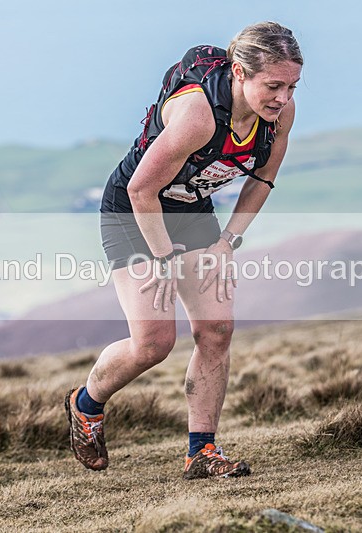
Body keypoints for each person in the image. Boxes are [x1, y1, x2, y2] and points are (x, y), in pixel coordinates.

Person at [65, 21, 302, 479]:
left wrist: (227, 242)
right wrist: (165, 260)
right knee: (154, 343)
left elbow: (262, 179)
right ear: (239, 73)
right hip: (134, 210)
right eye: (273, 86)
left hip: (191, 208)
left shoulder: (279, 116)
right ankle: (86, 404)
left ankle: (202, 452)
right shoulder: (199, 116)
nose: (283, 98)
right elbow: (140, 191)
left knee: (217, 328)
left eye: (291, 86)